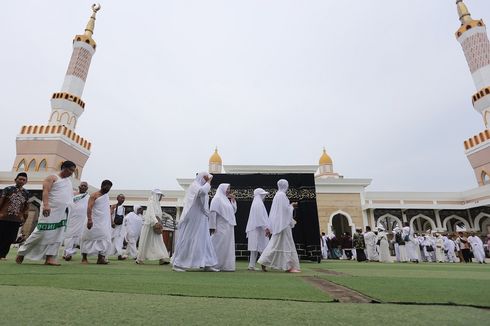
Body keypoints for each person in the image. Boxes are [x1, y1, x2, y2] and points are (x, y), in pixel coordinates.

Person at [16, 161, 76, 265]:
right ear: (64, 168)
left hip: (62, 212)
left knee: (57, 235)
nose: (71, 173)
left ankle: (50, 258)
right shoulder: (52, 177)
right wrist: (47, 205)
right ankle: (22, 252)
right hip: (50, 210)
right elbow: (46, 191)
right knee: (41, 232)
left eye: (73, 171)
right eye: (70, 170)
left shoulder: (68, 182)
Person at [171, 172, 218, 272]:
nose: (207, 180)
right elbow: (202, 192)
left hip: (202, 217)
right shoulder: (194, 186)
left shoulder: (202, 186)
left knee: (205, 240)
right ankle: (178, 264)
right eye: (205, 178)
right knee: (188, 238)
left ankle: (207, 263)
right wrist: (209, 181)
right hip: (193, 218)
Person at [257, 179, 300, 273]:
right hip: (283, 225)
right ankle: (288, 266)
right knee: (285, 244)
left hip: (280, 224)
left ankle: (264, 261)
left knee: (275, 244)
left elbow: (276, 212)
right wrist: (292, 206)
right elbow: (285, 210)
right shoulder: (282, 196)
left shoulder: (277, 195)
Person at [80, 180, 113, 264]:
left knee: (104, 237)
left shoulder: (106, 196)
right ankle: (84, 258)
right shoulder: (94, 195)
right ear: (102, 186)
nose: (107, 189)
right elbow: (89, 207)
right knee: (88, 237)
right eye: (106, 187)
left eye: (109, 188)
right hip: (93, 220)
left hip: (103, 222)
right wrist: (89, 219)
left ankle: (101, 258)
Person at [0, 173, 29, 260]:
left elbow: (26, 207)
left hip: (16, 219)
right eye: (20, 179)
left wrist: (24, 218)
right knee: (1, 236)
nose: (21, 181)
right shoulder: (8, 189)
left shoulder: (26, 193)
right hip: (3, 217)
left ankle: (3, 255)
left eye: (24, 180)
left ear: (26, 182)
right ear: (15, 180)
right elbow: (1, 201)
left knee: (10, 238)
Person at [136, 189, 170, 265]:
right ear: (157, 195)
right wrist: (156, 222)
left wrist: (159, 223)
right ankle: (139, 259)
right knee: (145, 242)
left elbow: (158, 214)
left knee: (159, 242)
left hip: (156, 226)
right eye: (160, 196)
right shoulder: (151, 202)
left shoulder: (157, 204)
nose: (161, 197)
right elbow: (151, 213)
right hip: (149, 226)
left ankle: (162, 258)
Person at [209, 183, 237, 271]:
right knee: (217, 244)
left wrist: (233, 200)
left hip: (228, 226)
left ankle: (224, 265)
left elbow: (232, 211)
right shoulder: (217, 199)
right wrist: (212, 226)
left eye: (229, 189)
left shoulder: (225, 200)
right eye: (227, 189)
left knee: (226, 246)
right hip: (220, 226)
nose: (228, 191)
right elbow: (213, 212)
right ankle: (212, 264)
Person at [63, 181, 89, 261]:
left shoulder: (88, 197)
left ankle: (69, 253)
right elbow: (67, 204)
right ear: (79, 186)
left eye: (85, 186)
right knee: (69, 235)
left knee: (78, 236)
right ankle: (67, 253)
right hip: (72, 217)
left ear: (87, 188)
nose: (83, 187)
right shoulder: (73, 195)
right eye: (82, 185)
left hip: (83, 219)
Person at [245, 188, 270, 270]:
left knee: (255, 248)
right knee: (261, 247)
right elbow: (260, 218)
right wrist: (266, 228)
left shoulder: (256, 203)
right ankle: (264, 264)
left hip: (255, 229)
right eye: (263, 195)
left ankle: (251, 265)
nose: (264, 196)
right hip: (258, 229)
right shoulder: (258, 204)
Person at [109, 194, 127, 260]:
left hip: (120, 227)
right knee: (111, 239)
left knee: (119, 240)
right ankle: (105, 253)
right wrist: (112, 222)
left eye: (123, 198)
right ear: (117, 198)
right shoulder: (113, 206)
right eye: (121, 198)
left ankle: (119, 254)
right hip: (113, 226)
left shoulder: (123, 208)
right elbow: (110, 214)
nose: (122, 200)